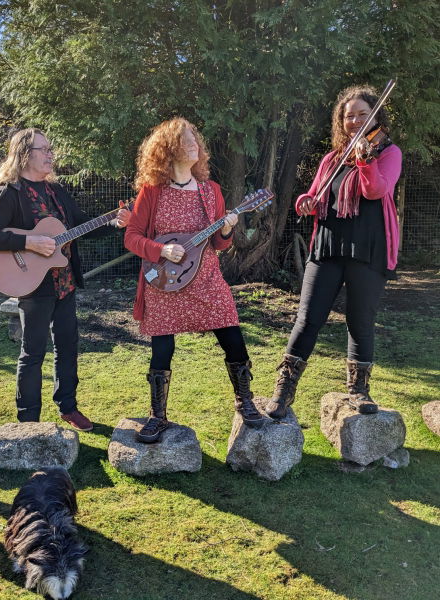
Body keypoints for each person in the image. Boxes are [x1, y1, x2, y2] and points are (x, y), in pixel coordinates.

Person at [0, 128, 130, 431]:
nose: (50, 155)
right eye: (44, 149)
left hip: (65, 282)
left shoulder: (56, 191)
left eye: (50, 149)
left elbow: (82, 226)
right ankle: (28, 420)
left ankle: (68, 407)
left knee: (68, 346)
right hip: (33, 285)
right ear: (24, 154)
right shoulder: (9, 193)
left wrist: (114, 222)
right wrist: (28, 243)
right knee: (33, 352)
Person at [124, 117, 265, 443]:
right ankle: (157, 416)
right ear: (167, 149)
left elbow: (218, 244)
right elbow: (132, 238)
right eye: (186, 141)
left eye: (195, 141)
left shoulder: (210, 190)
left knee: (231, 332)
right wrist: (162, 249)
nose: (194, 146)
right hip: (165, 282)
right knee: (162, 348)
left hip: (205, 279)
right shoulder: (152, 192)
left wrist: (227, 228)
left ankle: (244, 399)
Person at [265, 85, 402, 419]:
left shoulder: (388, 154)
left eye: (361, 114)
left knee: (360, 321)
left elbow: (376, 190)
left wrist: (364, 159)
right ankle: (284, 389)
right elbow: (310, 197)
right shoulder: (330, 159)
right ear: (341, 121)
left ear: (375, 117)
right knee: (307, 319)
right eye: (348, 115)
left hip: (367, 250)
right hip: (327, 248)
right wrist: (305, 202)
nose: (354, 121)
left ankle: (359, 390)